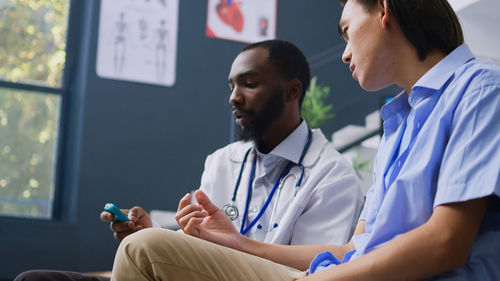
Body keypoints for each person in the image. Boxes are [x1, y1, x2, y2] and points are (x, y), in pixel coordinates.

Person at [108, 0, 500, 280]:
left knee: (145, 250)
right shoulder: (401, 121)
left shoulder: (480, 88)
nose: (345, 54)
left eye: (347, 32)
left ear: (384, 10)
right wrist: (241, 244)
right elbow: (354, 251)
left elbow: (446, 242)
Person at [14, 40, 363, 281]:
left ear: (292, 91)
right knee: (35, 278)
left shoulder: (332, 176)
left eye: (250, 84)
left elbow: (310, 273)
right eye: (230, 87)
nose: (234, 98)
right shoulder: (222, 161)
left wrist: (161, 249)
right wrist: (154, 238)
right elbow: (200, 250)